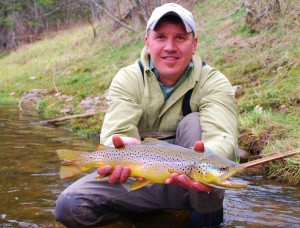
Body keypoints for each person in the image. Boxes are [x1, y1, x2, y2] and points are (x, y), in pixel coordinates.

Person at [55, 3, 238, 227]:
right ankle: (138, 217)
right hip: (136, 177)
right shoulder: (128, 78)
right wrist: (123, 145)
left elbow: (222, 137)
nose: (170, 47)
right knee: (69, 206)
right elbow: (117, 132)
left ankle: (204, 222)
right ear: (148, 43)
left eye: (180, 38)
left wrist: (212, 156)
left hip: (190, 185)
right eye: (161, 37)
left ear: (194, 44)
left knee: (195, 124)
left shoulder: (214, 82)